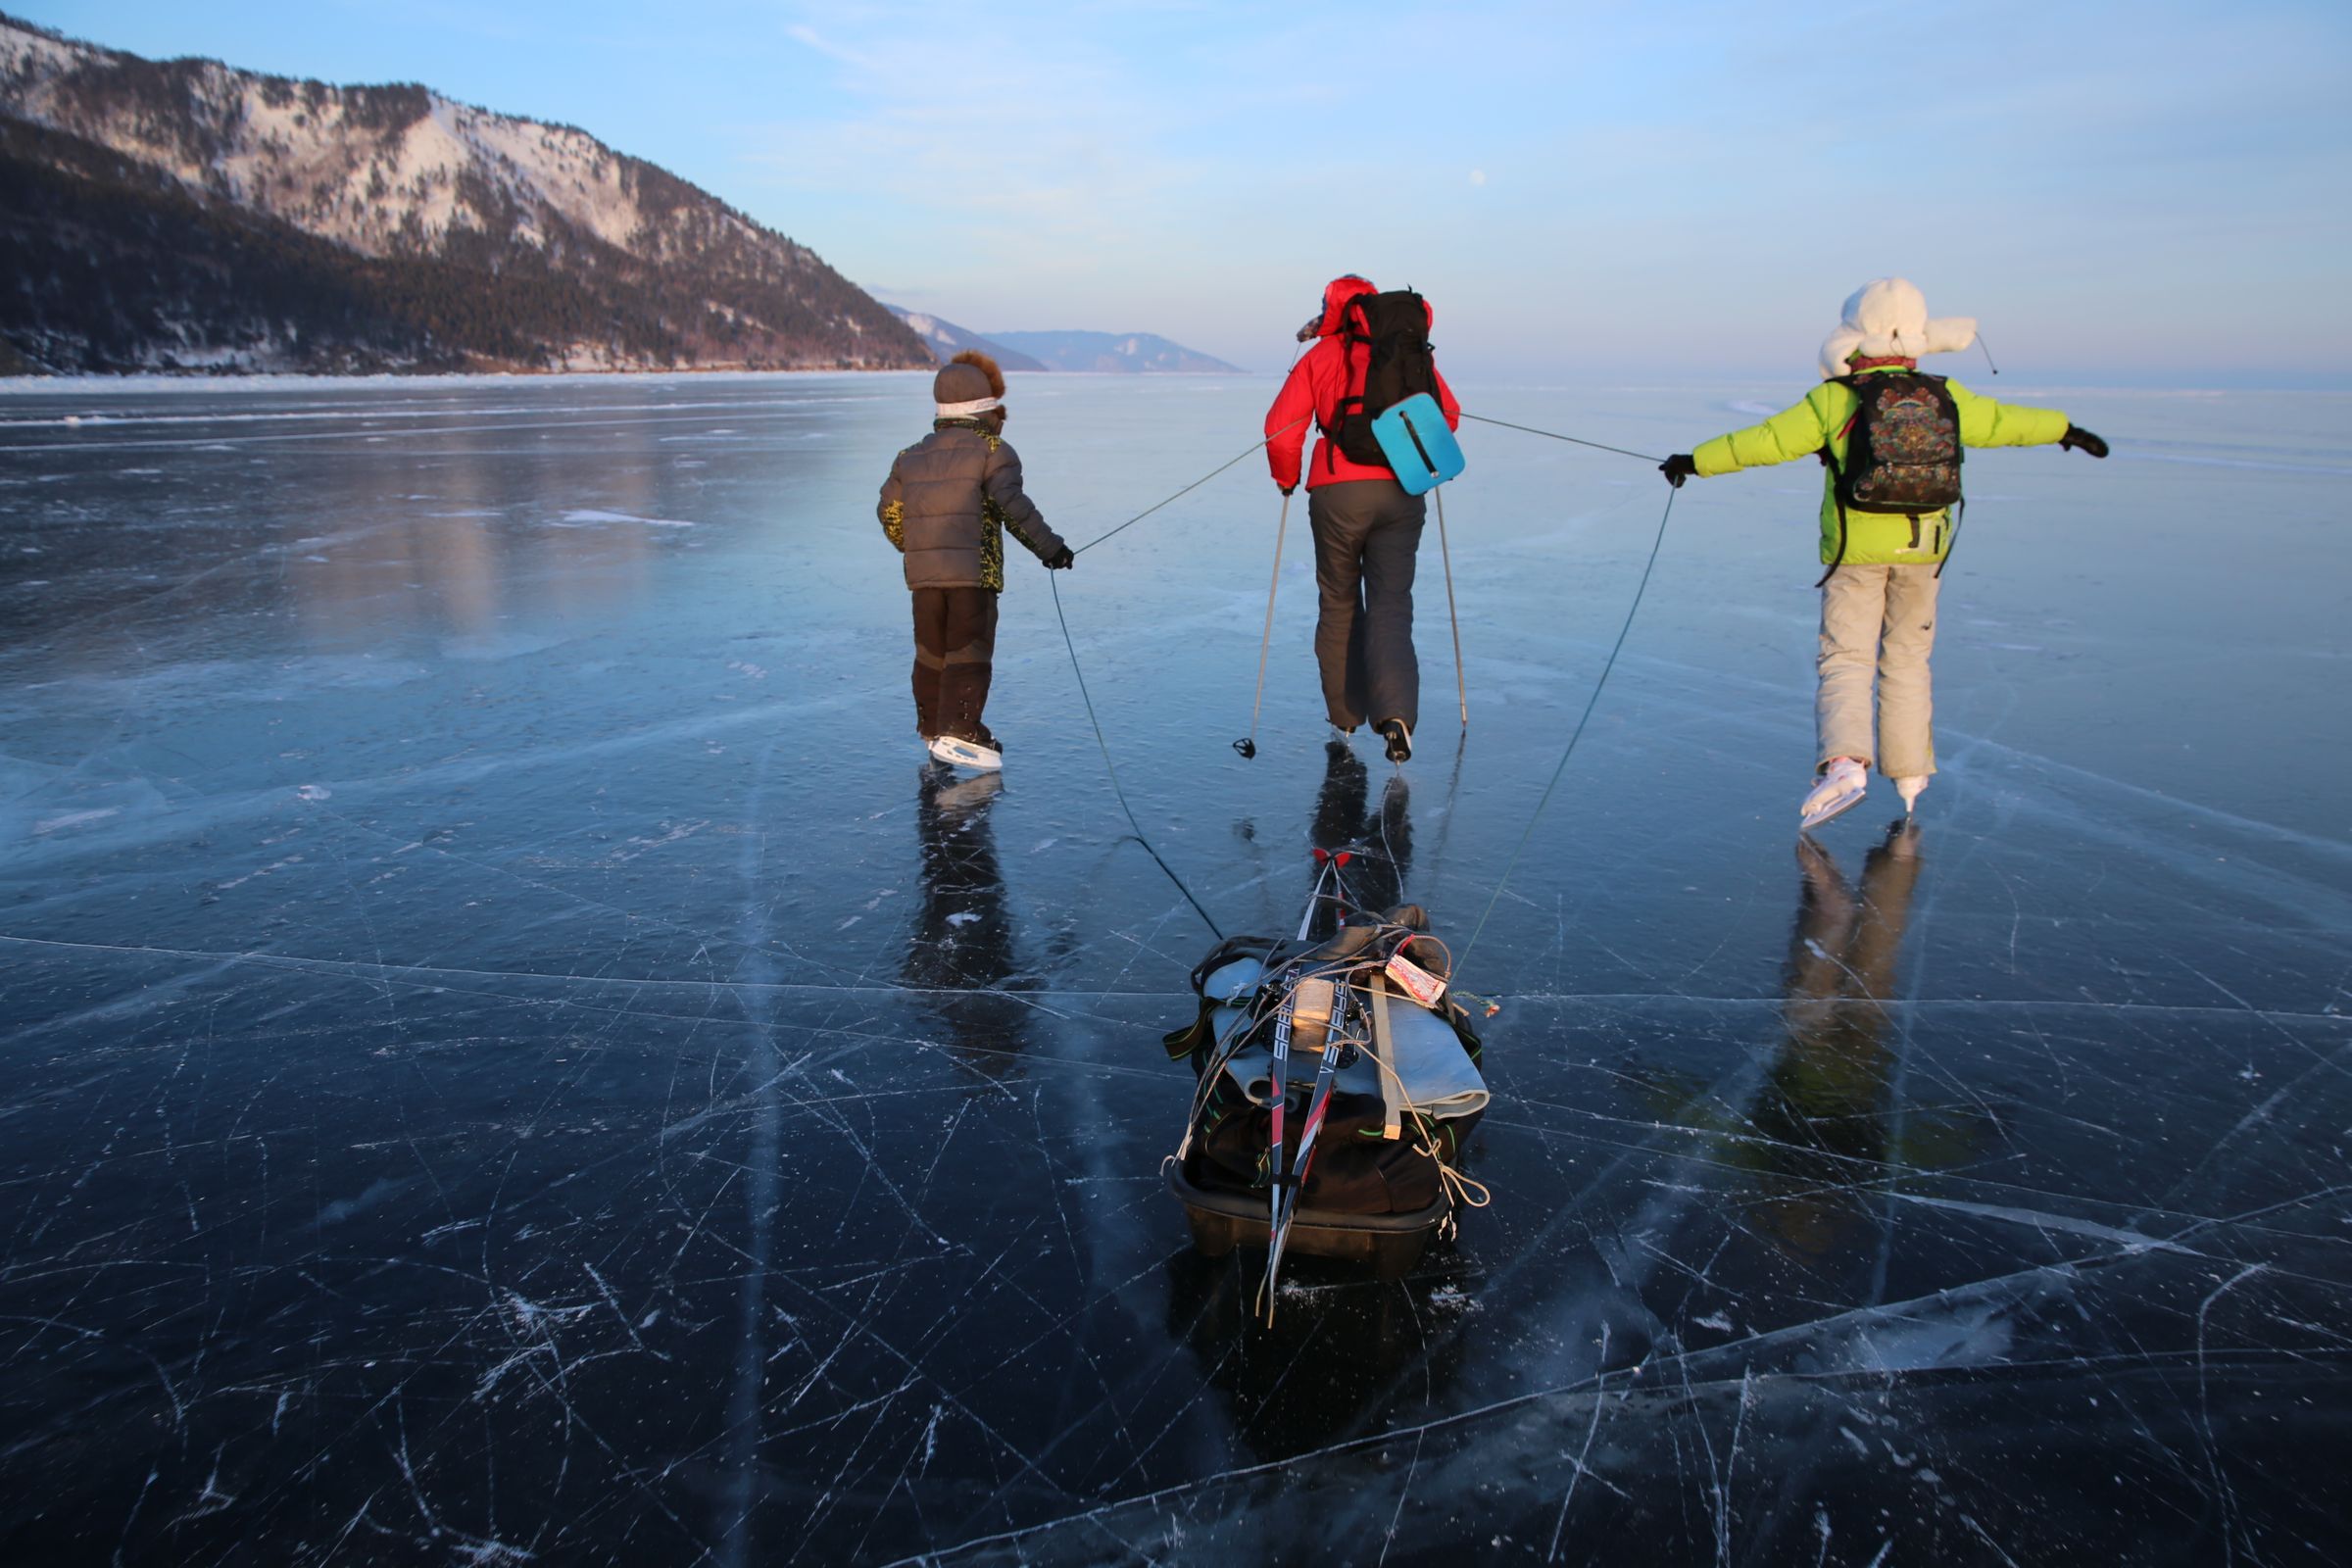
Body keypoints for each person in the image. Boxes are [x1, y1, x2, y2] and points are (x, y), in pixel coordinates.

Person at [1658, 278, 2109, 827]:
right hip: (1924, 549)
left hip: (1856, 552)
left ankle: (1846, 765)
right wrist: (2066, 429)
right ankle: (1912, 773)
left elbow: (1764, 441)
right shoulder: (1946, 396)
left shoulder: (1836, 398)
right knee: (1908, 660)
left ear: (1854, 333)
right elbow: (2004, 421)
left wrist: (1695, 461)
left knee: (1847, 657)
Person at [1264, 275, 1462, 763]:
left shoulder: (1323, 355)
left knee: (1339, 602)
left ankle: (1346, 716)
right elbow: (1448, 417)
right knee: (1392, 604)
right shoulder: (1406, 353)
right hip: (1402, 491)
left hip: (1337, 492)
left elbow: (1280, 431)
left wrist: (1287, 479)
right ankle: (1397, 718)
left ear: (1332, 308)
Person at [877, 351, 1073, 770]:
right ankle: (962, 728)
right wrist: (1051, 549)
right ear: (987, 408)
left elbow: (889, 512)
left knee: (931, 651)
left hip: (924, 578)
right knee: (969, 650)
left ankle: (932, 727)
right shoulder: (992, 451)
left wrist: (916, 547)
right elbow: (1012, 505)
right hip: (972, 575)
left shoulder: (909, 455)